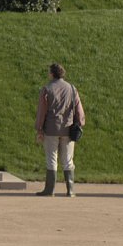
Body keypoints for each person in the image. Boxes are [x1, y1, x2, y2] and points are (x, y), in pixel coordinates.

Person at [34, 63, 86, 197]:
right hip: (68, 129)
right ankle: (70, 190)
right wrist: (80, 123)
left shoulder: (47, 89)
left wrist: (39, 128)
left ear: (52, 73)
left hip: (51, 129)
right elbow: (79, 110)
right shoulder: (72, 89)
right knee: (68, 159)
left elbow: (42, 111)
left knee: (52, 159)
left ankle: (50, 190)